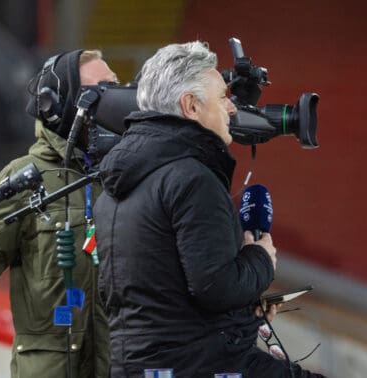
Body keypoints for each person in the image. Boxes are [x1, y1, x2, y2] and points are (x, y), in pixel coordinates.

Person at [94, 41, 326, 377]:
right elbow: (216, 288)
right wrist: (261, 257)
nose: (233, 109)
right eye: (221, 98)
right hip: (205, 365)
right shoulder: (191, 178)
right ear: (190, 106)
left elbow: (162, 295)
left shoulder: (113, 188)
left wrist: (245, 308)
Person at [0, 49, 117, 378]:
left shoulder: (131, 172)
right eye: (99, 90)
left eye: (116, 87)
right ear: (59, 105)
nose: (113, 100)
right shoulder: (23, 175)